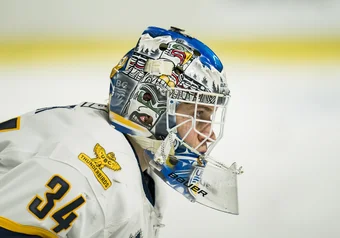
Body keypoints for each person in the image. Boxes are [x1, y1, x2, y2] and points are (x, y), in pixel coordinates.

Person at [0, 26, 242, 238]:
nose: (208, 134)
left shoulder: (139, 170)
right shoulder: (84, 177)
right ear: (149, 106)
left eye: (209, 118)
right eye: (198, 116)